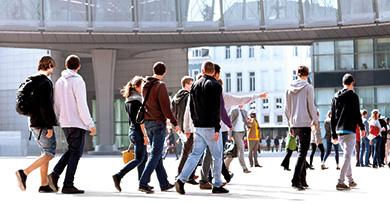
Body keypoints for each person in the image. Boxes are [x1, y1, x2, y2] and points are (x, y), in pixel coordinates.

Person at [175, 61, 229, 194]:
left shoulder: (195, 85)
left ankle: (181, 180)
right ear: (213, 71)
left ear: (202, 70)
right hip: (211, 127)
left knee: (194, 155)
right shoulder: (216, 85)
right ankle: (217, 185)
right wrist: (217, 129)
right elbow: (216, 109)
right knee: (217, 156)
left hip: (198, 127)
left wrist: (194, 124)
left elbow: (192, 107)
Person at [48, 55, 96, 194]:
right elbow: (81, 104)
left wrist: (58, 120)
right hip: (77, 123)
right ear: (79, 66)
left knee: (72, 150)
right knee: (76, 153)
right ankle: (68, 184)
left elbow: (56, 104)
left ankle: (55, 175)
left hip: (65, 123)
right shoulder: (78, 80)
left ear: (65, 64)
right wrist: (90, 124)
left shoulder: (59, 81)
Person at [16, 56, 58, 193]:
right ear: (50, 65)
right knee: (50, 153)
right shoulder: (45, 82)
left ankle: (44, 184)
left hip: (33, 122)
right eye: (53, 66)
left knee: (44, 152)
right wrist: (50, 126)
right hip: (42, 123)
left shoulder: (31, 79)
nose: (53, 69)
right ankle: (24, 173)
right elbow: (46, 106)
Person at [138, 62, 179, 194]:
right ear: (164, 72)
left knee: (156, 154)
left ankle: (164, 183)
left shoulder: (145, 84)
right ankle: (143, 183)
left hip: (148, 122)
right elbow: (165, 107)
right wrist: (174, 121)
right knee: (156, 154)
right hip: (158, 123)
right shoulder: (160, 86)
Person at [112, 76, 148, 192]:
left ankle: (142, 183)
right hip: (138, 132)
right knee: (139, 159)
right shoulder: (138, 101)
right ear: (137, 86)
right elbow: (140, 121)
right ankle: (119, 175)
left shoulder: (128, 100)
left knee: (143, 158)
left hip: (132, 131)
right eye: (142, 86)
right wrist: (145, 135)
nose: (143, 88)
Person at [285, 65, 318, 191]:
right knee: (302, 153)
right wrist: (315, 121)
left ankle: (303, 179)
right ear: (307, 74)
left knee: (301, 152)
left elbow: (286, 109)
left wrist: (289, 124)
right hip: (304, 124)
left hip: (294, 124)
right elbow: (311, 106)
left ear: (297, 74)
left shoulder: (289, 88)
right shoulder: (309, 87)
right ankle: (295, 180)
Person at [331, 73, 365, 191]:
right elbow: (357, 114)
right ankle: (340, 182)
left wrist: (333, 134)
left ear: (343, 83)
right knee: (347, 156)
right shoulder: (354, 96)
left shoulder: (335, 97)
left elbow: (333, 117)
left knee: (347, 156)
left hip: (339, 131)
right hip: (349, 130)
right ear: (352, 83)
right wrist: (362, 127)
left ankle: (350, 180)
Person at [172, 76, 198, 184]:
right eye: (191, 84)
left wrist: (176, 126)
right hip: (188, 127)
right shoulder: (188, 96)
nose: (192, 86)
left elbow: (172, 112)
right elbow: (190, 113)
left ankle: (189, 175)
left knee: (188, 151)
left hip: (180, 127)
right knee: (188, 151)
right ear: (186, 84)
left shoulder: (176, 97)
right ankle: (181, 174)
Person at [225, 104, 251, 173]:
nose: (241, 104)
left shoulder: (245, 112)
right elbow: (230, 123)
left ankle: (225, 167)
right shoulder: (234, 111)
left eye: (243, 102)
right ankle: (244, 168)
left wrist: (248, 123)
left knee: (235, 151)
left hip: (242, 133)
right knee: (241, 150)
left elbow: (246, 122)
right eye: (240, 102)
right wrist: (229, 135)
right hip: (236, 133)